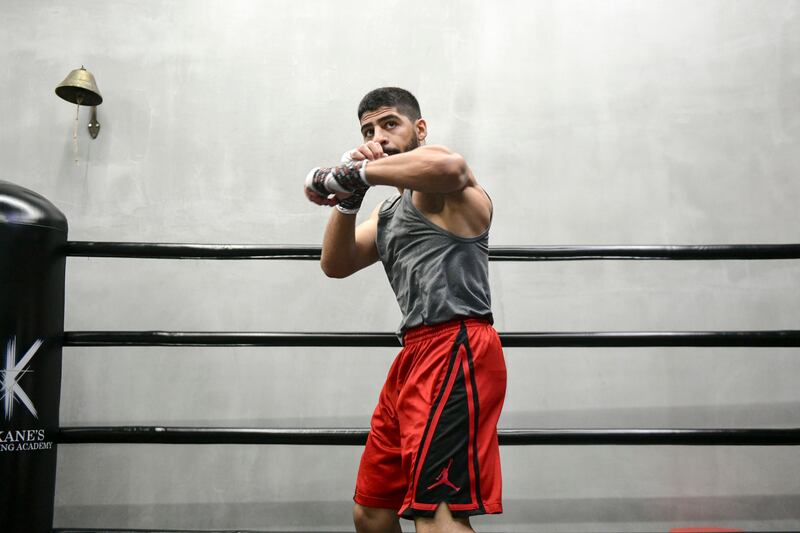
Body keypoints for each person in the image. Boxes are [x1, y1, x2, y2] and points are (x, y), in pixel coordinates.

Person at [304, 87, 506, 533]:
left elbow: (448, 166)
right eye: (368, 130)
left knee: (437, 515)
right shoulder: (389, 211)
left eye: (390, 124)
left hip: (458, 347)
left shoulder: (444, 190)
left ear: (420, 129)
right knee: (373, 511)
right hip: (413, 353)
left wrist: (358, 172)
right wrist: (349, 196)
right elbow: (335, 265)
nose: (379, 135)